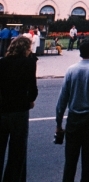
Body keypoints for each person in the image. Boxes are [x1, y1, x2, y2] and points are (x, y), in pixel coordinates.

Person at [55, 38, 89, 182]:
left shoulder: (71, 70)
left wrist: (59, 124)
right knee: (88, 163)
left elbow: (62, 100)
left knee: (70, 161)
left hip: (74, 120)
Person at [0, 36, 38, 182]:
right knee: (17, 151)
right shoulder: (28, 63)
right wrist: (30, 101)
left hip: (2, 110)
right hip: (19, 111)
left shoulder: (2, 62)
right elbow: (33, 90)